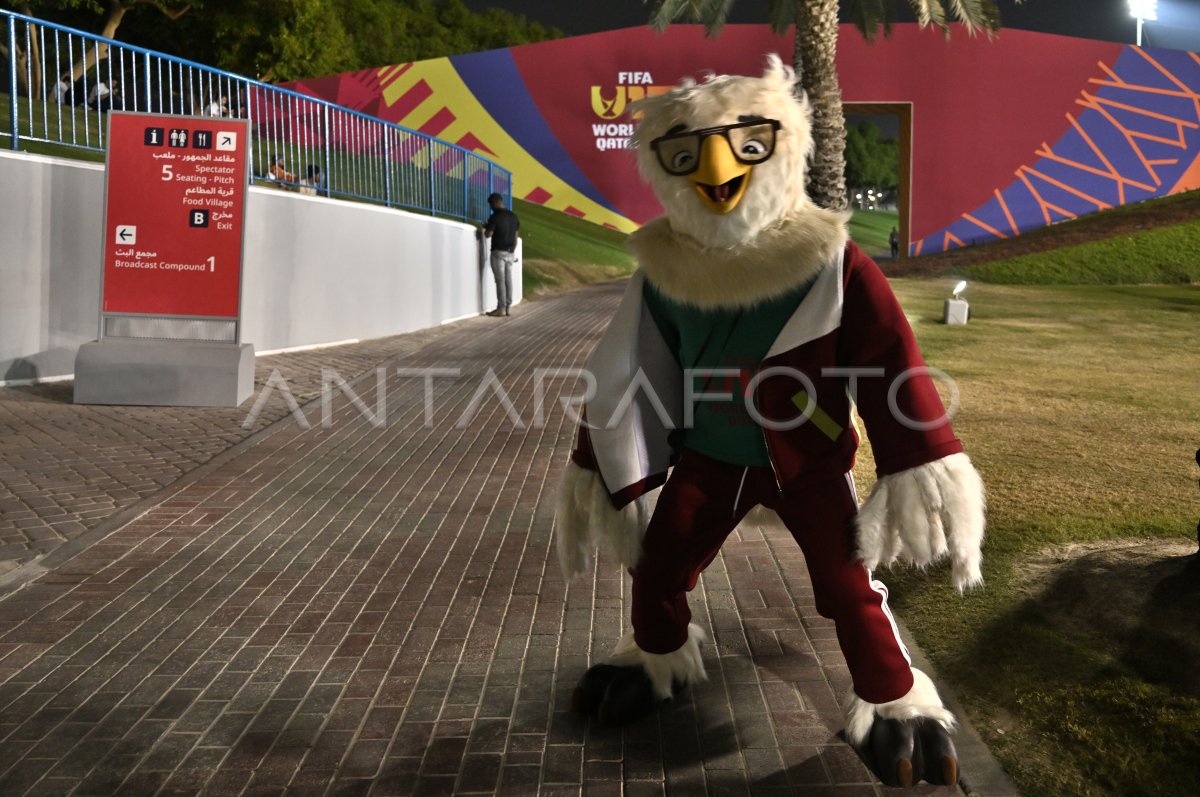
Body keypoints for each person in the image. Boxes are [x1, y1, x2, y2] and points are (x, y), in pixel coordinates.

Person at [483, 192, 519, 317]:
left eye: (491, 205)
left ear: (493, 203)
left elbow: (488, 234)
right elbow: (516, 236)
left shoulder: (495, 216)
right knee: (508, 280)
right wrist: (512, 250)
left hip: (498, 252)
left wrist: (486, 228)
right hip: (510, 252)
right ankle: (508, 307)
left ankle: (501, 308)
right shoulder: (514, 216)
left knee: (500, 280)